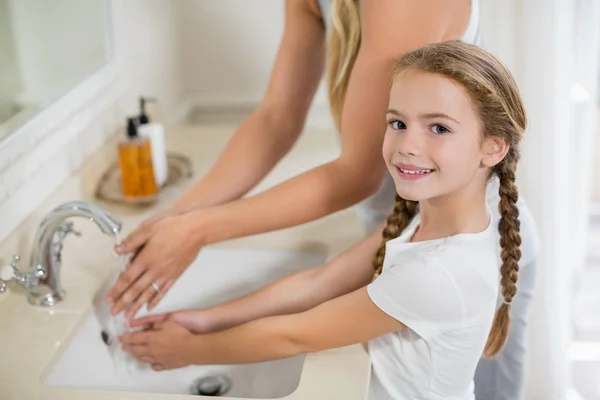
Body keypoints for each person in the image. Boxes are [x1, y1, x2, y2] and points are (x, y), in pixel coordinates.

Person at [109, 1, 539, 399]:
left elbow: (356, 175)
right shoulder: (418, 231)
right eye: (396, 122)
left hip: (465, 242)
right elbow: (277, 117)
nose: (408, 143)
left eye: (438, 128)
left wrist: (192, 338)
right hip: (421, 219)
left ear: (494, 146)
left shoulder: (442, 271)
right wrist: (180, 222)